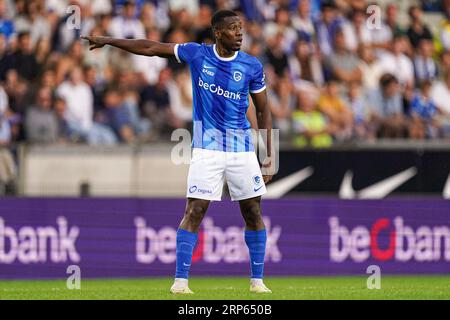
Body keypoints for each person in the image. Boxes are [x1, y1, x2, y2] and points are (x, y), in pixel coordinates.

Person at [82, 9, 274, 294]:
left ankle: (257, 281)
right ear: (217, 32)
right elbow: (150, 47)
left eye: (241, 28)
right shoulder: (197, 54)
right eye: (233, 28)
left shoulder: (252, 65)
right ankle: (180, 282)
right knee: (195, 209)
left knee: (252, 211)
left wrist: (269, 156)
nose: (240, 33)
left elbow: (262, 110)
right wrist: (108, 40)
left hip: (241, 149)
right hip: (206, 149)